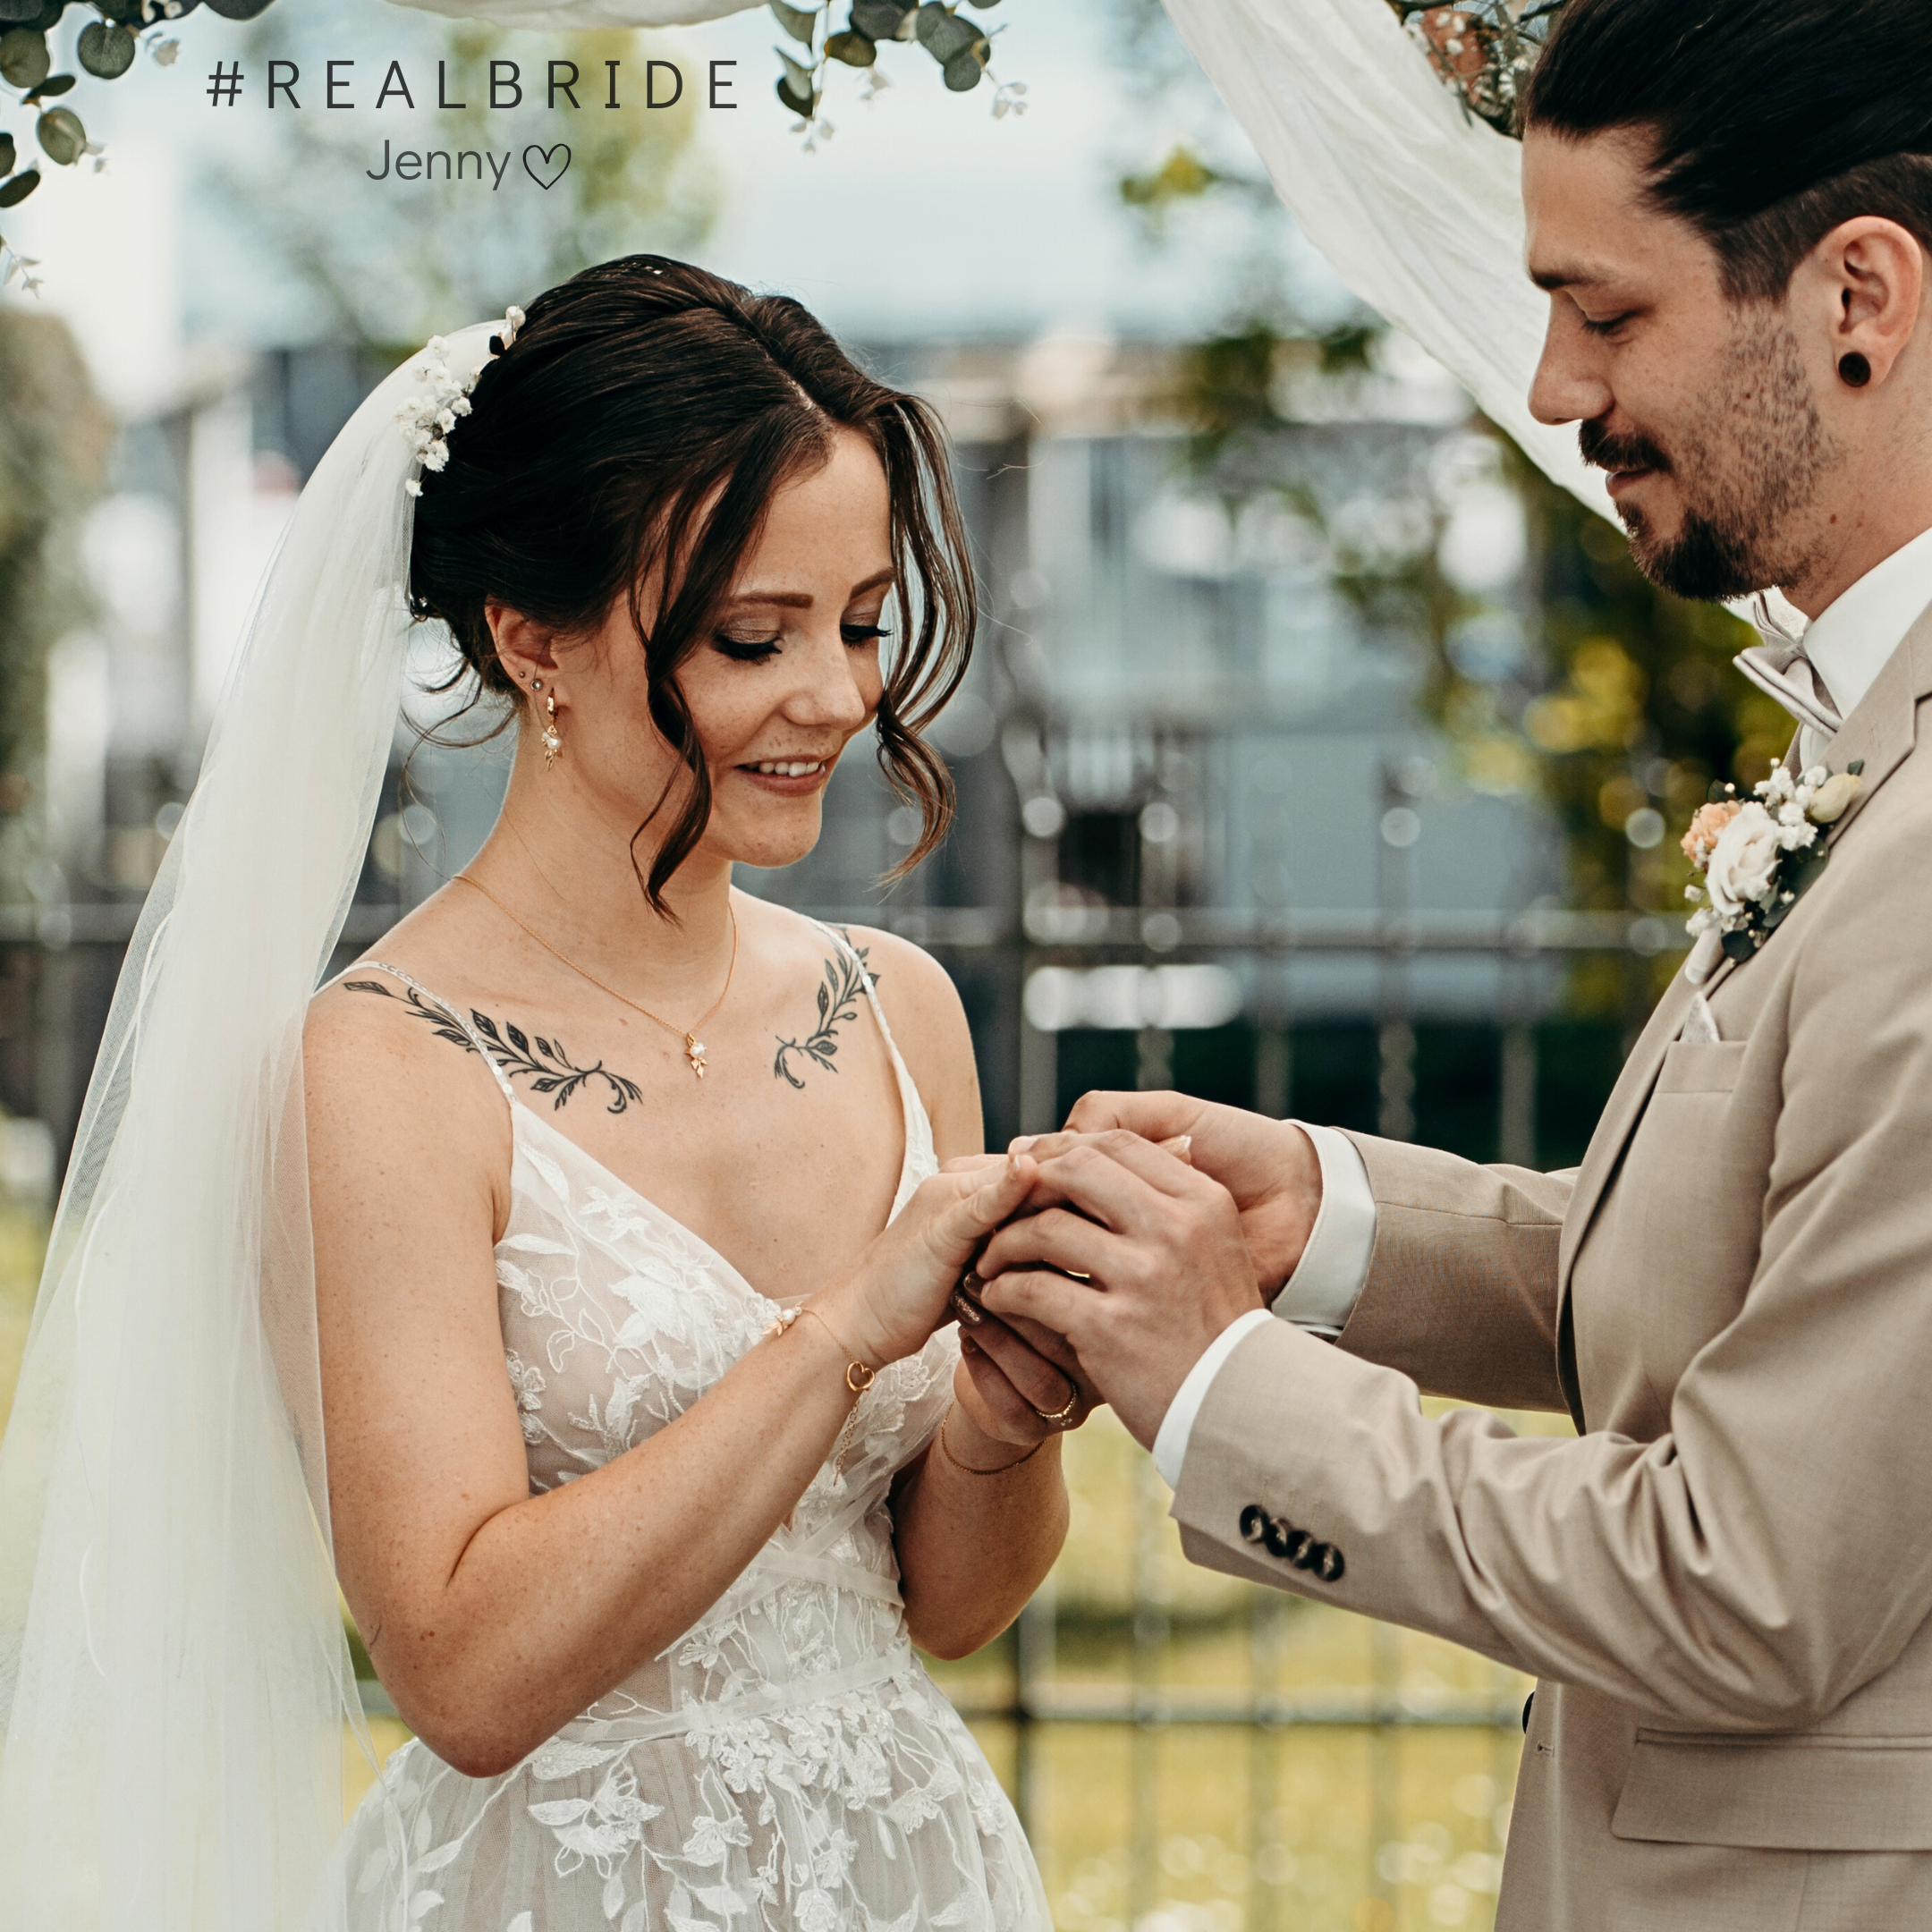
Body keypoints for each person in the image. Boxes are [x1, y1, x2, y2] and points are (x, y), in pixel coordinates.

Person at [966, 2, 1932, 1928]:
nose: (1556, 388)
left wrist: (1218, 1379)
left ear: (1860, 298)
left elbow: (1745, 1577)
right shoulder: (1872, 739)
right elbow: (1736, 1271)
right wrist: (1319, 1219)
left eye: (1606, 308)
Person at [299, 258, 1091, 1932]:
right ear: (533, 643)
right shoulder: (385, 1064)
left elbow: (953, 1605)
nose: (836, 697)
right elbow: (465, 1671)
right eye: (752, 637)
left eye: (863, 621)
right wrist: (844, 1334)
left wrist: (1006, 1423)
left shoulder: (901, 1013)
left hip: (910, 1871)